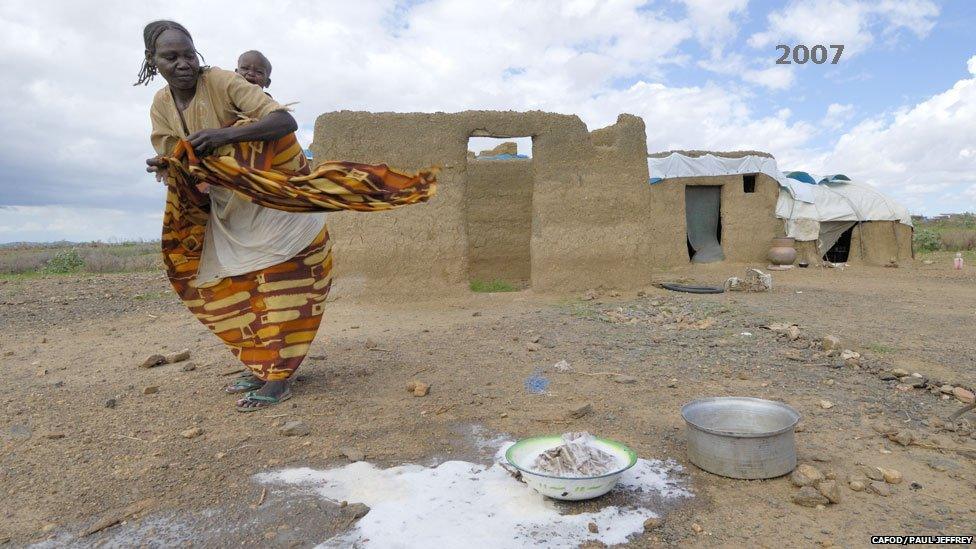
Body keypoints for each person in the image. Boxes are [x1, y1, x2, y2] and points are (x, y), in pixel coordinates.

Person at [139, 20, 435, 411]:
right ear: (152, 60)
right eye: (170, 57)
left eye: (188, 54)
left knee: (285, 289)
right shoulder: (162, 104)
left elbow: (283, 121)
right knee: (243, 290)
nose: (182, 64)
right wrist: (168, 164)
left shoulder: (224, 82)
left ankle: (278, 378)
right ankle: (263, 365)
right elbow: (174, 154)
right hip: (233, 213)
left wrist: (224, 137)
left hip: (280, 208)